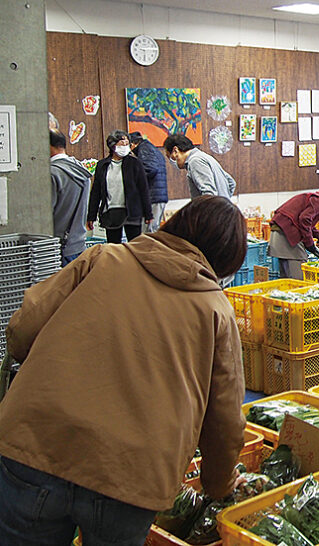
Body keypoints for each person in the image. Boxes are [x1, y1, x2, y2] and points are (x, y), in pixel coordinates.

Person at [0, 196, 247, 544]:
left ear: (177, 225)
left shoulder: (103, 258)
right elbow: (224, 418)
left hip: (37, 439)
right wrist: (219, 483)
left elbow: (22, 331)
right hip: (132, 475)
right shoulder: (216, 311)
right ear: (224, 258)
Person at [269, 185, 319, 279]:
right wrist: (310, 244)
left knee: (286, 275)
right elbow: (304, 219)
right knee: (298, 276)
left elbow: (309, 226)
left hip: (281, 231)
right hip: (287, 233)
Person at [87, 130, 152, 244]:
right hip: (111, 212)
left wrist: (148, 213)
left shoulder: (135, 163)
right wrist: (91, 216)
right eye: (122, 144)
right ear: (113, 146)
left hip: (132, 212)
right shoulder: (102, 165)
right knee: (114, 248)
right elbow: (96, 192)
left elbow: (143, 189)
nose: (125, 147)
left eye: (127, 144)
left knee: (135, 246)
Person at [49, 130, 91, 266]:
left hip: (58, 247)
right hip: (79, 243)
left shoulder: (53, 173)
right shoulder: (81, 169)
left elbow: (46, 215)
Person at [163, 133, 236, 199]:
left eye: (169, 156)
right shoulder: (204, 156)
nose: (171, 161)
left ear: (175, 150)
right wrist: (225, 202)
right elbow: (231, 182)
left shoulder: (195, 161)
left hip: (213, 212)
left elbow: (208, 194)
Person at [129, 131, 168, 232]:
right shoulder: (151, 148)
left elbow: (150, 169)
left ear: (132, 144)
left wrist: (133, 180)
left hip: (153, 196)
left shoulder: (144, 148)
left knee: (149, 231)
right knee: (152, 229)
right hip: (157, 195)